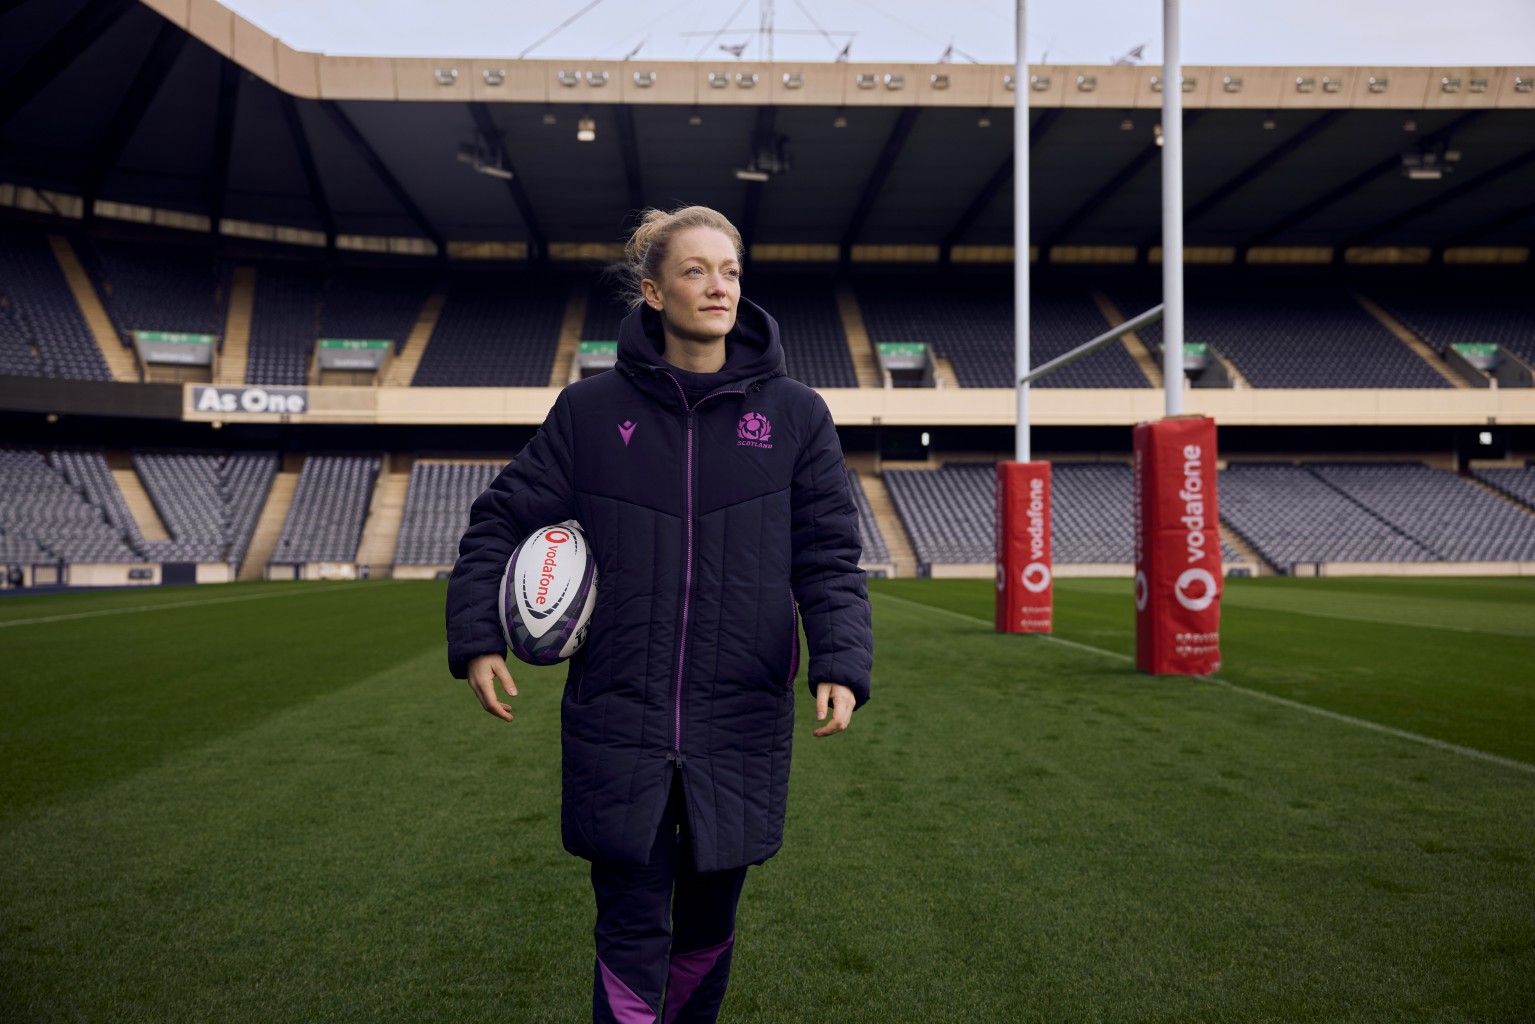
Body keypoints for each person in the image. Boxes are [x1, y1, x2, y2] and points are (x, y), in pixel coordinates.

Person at [446, 204, 874, 1023]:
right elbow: (497, 520)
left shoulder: (794, 416)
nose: (718, 287)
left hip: (739, 718)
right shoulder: (589, 412)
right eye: (694, 270)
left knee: (707, 933)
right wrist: (477, 635)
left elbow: (827, 557)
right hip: (619, 717)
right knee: (631, 931)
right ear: (652, 290)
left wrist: (840, 664)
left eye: (730, 271)